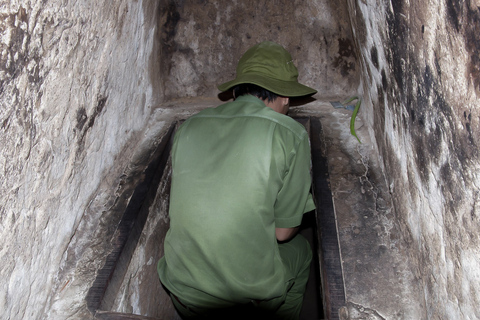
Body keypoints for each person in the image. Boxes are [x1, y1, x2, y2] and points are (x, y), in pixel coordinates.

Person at [157, 41, 317, 320]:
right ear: (286, 97)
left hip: (183, 291)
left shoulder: (189, 127)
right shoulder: (291, 135)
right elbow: (282, 233)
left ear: (237, 90)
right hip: (244, 299)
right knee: (301, 249)